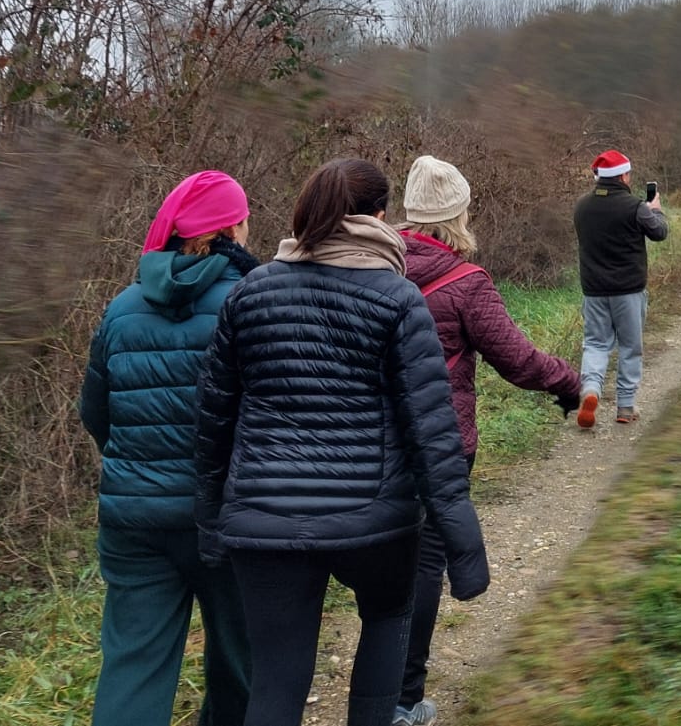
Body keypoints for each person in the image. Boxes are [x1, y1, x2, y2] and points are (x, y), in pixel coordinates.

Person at [196, 159, 488, 726]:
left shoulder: (249, 293)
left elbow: (213, 421)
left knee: (276, 678)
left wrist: (210, 521)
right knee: (386, 618)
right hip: (373, 521)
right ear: (381, 217)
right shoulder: (397, 299)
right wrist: (464, 547)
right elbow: (431, 429)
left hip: (262, 521)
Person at [395, 155, 582, 725]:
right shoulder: (464, 283)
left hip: (371, 438)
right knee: (425, 562)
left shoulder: (373, 267)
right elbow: (517, 359)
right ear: (458, 214)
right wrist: (567, 383)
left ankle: (374, 685)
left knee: (384, 557)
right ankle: (403, 698)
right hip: (441, 441)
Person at [80, 171, 256, 726]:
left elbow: (95, 414)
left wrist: (140, 465)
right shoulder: (252, 301)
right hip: (228, 518)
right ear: (232, 227)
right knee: (241, 664)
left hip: (134, 520)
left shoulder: (122, 308)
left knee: (133, 667)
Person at [574, 150, 670, 426]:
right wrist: (656, 210)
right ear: (624, 175)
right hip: (628, 289)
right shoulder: (635, 206)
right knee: (630, 347)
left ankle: (591, 390)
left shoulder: (582, 206)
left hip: (593, 289)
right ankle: (625, 407)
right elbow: (659, 232)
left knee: (595, 344)